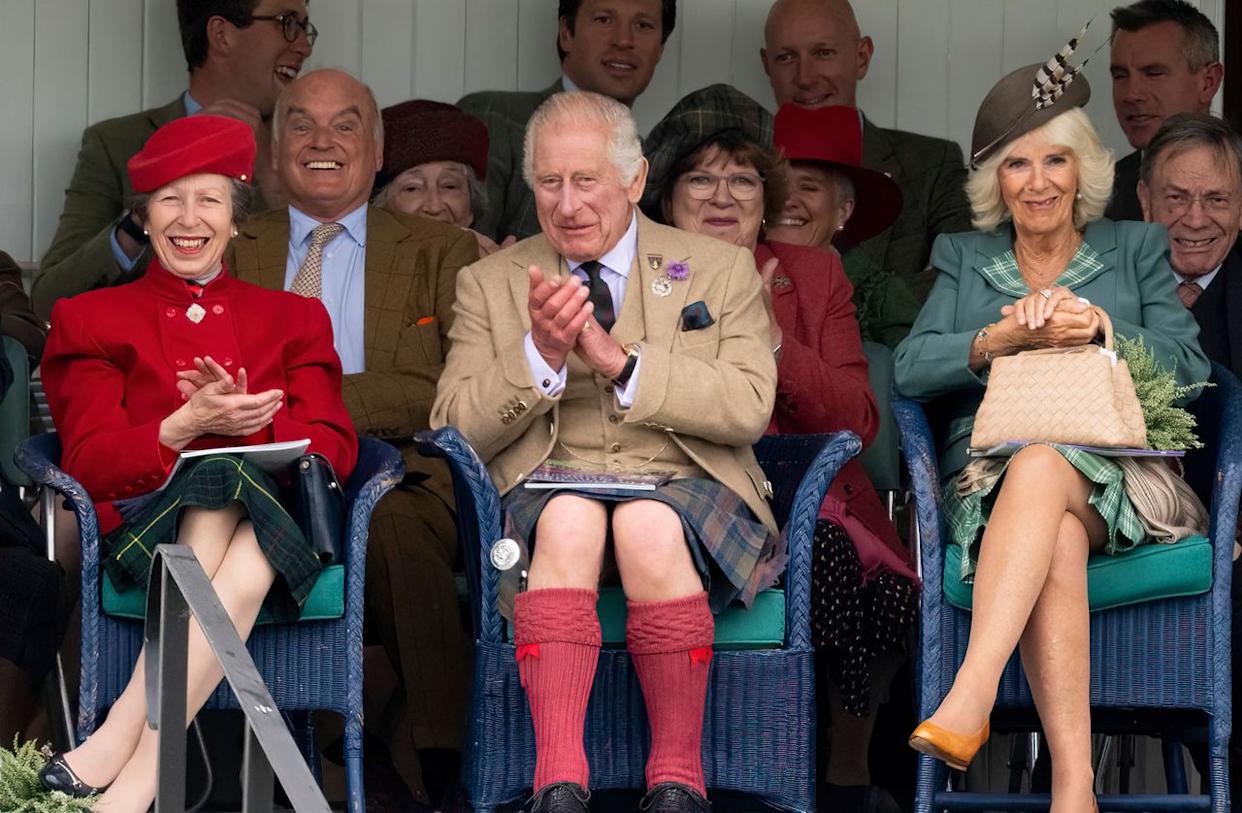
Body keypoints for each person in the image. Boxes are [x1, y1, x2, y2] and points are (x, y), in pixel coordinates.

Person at [432, 90, 778, 813]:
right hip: (549, 485)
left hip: (685, 482)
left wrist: (622, 364)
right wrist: (539, 356)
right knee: (568, 517)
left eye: (586, 180)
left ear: (634, 178)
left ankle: (677, 778)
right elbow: (454, 425)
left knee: (646, 522)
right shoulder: (491, 282)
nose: (566, 203)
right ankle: (559, 780)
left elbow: (749, 403)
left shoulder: (716, 268)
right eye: (549, 183)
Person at [894, 55, 1210, 811]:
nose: (1037, 182)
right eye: (1018, 165)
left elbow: (1193, 368)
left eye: (1055, 160)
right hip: (991, 481)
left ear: (1083, 169)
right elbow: (908, 367)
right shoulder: (965, 259)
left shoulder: (1135, 250)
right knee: (1051, 518)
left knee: (1045, 467)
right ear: (995, 182)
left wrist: (1102, 325)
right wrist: (992, 342)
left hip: (1122, 481)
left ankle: (967, 693)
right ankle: (1076, 787)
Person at [36, 114, 358, 811]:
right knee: (216, 489)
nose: (190, 218)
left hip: (278, 532)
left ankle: (125, 746)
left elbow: (334, 442)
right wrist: (180, 428)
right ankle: (135, 775)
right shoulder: (89, 317)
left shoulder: (294, 319)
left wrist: (254, 420)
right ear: (143, 216)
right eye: (170, 200)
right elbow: (88, 461)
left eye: (208, 199)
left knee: (231, 496)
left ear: (236, 219)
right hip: (148, 537)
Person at [643, 84, 919, 813]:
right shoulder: (641, 274)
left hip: (813, 496)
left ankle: (841, 768)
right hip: (682, 497)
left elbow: (857, 419)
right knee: (818, 554)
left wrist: (773, 338)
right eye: (701, 178)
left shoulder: (816, 275)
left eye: (742, 180)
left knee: (869, 580)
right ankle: (787, 775)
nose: (723, 196)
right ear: (666, 198)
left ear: (766, 202)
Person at [226, 67, 479, 810]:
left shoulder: (442, 250)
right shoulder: (236, 245)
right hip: (262, 469)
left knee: (394, 521)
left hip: (399, 470)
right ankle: (371, 724)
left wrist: (313, 402)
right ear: (275, 153)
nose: (322, 142)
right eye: (300, 125)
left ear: (376, 151)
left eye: (345, 125)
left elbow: (447, 386)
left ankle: (443, 753)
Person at [32, 0, 316, 319]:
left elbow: (329, 285)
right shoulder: (116, 143)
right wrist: (140, 222)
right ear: (222, 34)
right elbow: (48, 300)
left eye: (304, 29)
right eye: (287, 23)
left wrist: (268, 171)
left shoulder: (318, 147)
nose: (304, 46)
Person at [1138, 111, 1242, 800]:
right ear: (1143, 200)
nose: (1195, 218)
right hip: (1116, 529)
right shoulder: (1106, 284)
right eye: (1176, 197)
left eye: (1218, 199)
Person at [761, 0, 972, 302]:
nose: (805, 77)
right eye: (786, 57)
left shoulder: (933, 164)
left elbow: (960, 282)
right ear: (767, 65)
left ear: (862, 57)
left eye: (823, 53)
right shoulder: (736, 172)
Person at [458, 0, 677, 244]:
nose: (624, 40)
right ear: (566, 33)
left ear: (660, 48)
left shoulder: (652, 157)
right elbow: (468, 251)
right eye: (604, 19)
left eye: (644, 25)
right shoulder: (494, 117)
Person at [766, 102, 920, 348]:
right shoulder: (732, 272)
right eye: (776, 185)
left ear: (842, 211)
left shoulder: (880, 294)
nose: (787, 200)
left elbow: (917, 373)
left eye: (808, 187)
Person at [1107, 0, 1222, 221]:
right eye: (1120, 75)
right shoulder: (1094, 198)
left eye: (1153, 73)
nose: (1131, 93)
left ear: (1208, 83)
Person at [373, 99, 510, 257]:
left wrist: (502, 278)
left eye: (449, 186)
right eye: (412, 188)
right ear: (382, 208)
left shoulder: (495, 270)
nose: (434, 207)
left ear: (471, 208)